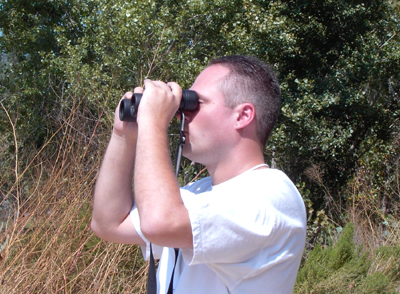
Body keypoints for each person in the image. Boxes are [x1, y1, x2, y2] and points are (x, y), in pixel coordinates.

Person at [91, 55, 307, 294]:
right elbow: (110, 223)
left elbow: (159, 222)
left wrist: (152, 122)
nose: (181, 114)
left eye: (195, 103)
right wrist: (124, 136)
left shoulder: (270, 198)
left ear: (243, 116)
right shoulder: (199, 194)